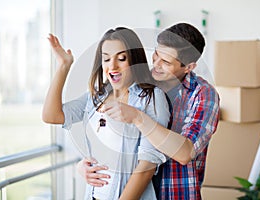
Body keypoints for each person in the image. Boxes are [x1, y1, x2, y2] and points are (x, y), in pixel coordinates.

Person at [77, 23, 220, 200]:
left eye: (166, 62)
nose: (156, 65)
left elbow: (185, 153)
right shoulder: (138, 81)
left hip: (174, 194)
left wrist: (138, 118)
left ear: (188, 67)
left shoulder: (203, 94)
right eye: (156, 55)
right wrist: (82, 164)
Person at [42, 27, 170, 199]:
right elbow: (51, 115)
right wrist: (64, 66)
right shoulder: (96, 96)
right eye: (106, 59)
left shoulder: (151, 98)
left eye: (121, 58)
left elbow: (146, 167)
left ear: (135, 60)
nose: (113, 66)